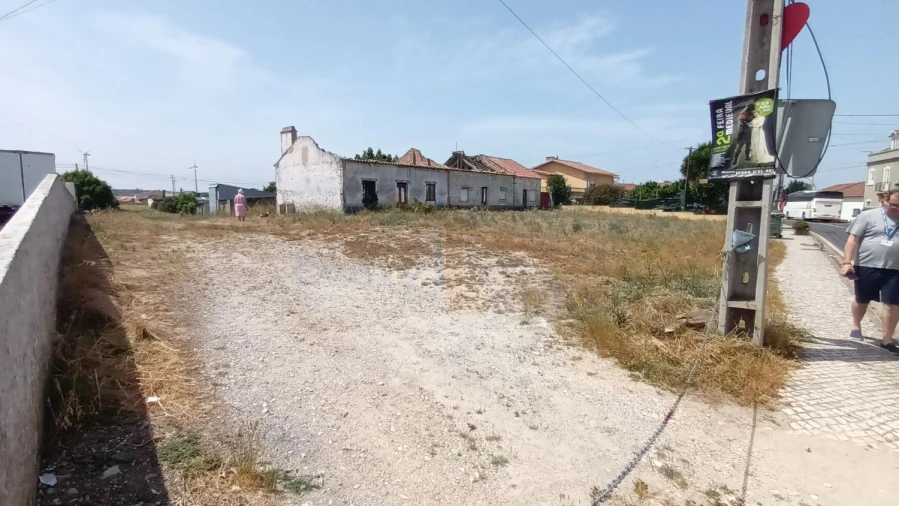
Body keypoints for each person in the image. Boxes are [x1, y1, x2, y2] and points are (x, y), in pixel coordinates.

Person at [843, 188, 899, 354]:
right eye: (894, 205)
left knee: (893, 304)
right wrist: (846, 262)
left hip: (895, 269)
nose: (897, 209)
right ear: (885, 201)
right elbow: (852, 239)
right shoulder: (868, 216)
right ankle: (856, 325)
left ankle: (887, 340)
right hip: (867, 265)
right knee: (862, 299)